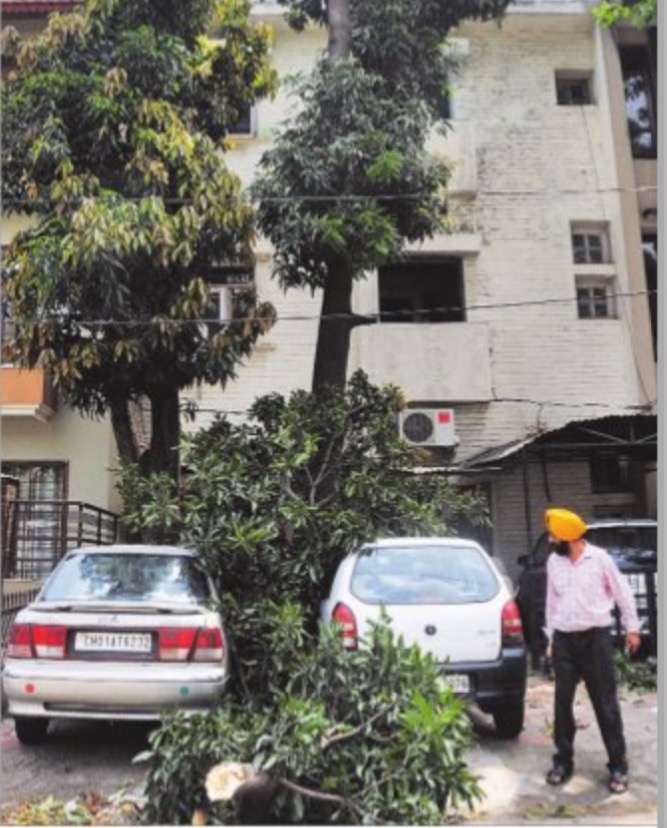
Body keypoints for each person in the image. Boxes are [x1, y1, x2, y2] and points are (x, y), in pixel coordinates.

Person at [543, 507, 641, 795]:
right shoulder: (553, 562)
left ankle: (618, 765)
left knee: (605, 705)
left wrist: (632, 627)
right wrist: (551, 638)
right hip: (564, 640)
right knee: (562, 704)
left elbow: (623, 592)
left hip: (595, 640)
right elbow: (551, 602)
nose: (550, 541)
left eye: (554, 537)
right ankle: (563, 762)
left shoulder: (599, 559)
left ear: (570, 539)